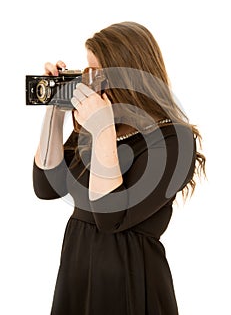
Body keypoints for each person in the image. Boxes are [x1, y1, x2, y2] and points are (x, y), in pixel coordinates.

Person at [33, 21, 206, 315]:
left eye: (96, 73)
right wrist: (55, 106)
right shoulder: (97, 123)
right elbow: (47, 186)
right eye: (86, 72)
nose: (88, 83)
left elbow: (110, 218)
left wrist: (101, 130)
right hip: (77, 272)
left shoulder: (175, 139)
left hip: (131, 280)